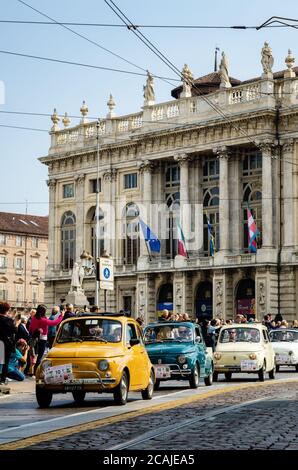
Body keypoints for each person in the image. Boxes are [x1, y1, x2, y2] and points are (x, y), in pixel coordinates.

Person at [29, 304, 64, 375]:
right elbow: (55, 323)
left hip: (34, 338)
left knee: (34, 355)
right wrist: (61, 316)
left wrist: (36, 330)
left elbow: (30, 328)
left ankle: (31, 371)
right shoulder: (43, 320)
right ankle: (36, 372)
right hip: (42, 339)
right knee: (40, 357)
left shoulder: (33, 318)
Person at [0, 302, 19, 385]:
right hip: (6, 343)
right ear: (7, 310)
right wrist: (17, 324)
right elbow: (14, 331)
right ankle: (2, 379)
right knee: (5, 362)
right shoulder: (9, 320)